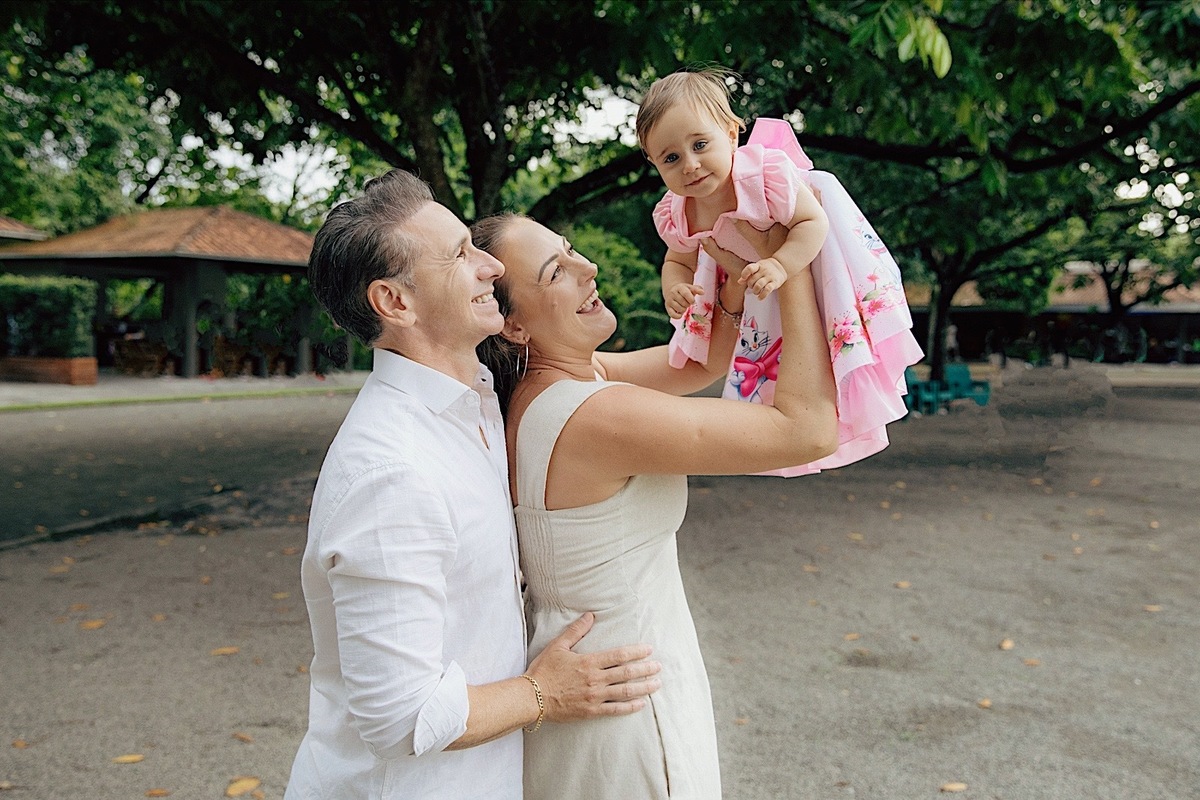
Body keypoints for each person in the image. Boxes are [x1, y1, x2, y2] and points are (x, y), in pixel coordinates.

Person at [285, 169, 663, 800]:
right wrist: (544, 694)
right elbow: (401, 717)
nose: (490, 266)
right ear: (395, 303)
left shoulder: (479, 403)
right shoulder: (391, 472)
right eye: (460, 255)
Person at [472, 212, 840, 800]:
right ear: (512, 325)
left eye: (570, 249)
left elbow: (701, 360)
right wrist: (789, 269)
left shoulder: (549, 388)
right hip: (630, 706)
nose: (587, 268)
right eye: (555, 271)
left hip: (596, 690)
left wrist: (730, 268)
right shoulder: (596, 415)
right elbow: (808, 430)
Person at [637, 66, 923, 476]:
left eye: (701, 144)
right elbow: (678, 259)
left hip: (812, 256)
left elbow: (813, 224)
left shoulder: (764, 177)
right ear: (654, 162)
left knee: (833, 333)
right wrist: (675, 287)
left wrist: (780, 263)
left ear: (732, 133)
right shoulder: (677, 212)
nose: (691, 165)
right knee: (780, 358)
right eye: (671, 158)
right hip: (754, 284)